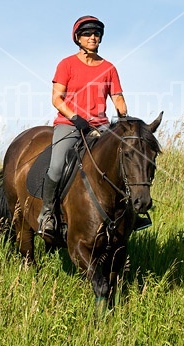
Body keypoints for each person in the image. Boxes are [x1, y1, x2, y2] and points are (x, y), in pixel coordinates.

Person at [38, 15, 128, 240]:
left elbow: (117, 97)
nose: (93, 37)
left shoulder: (108, 68)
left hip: (100, 127)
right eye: (87, 33)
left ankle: (130, 216)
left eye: (96, 33)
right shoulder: (66, 64)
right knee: (57, 166)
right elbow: (56, 99)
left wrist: (124, 118)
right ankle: (47, 213)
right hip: (70, 124)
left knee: (125, 163)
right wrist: (75, 117)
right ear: (78, 38)